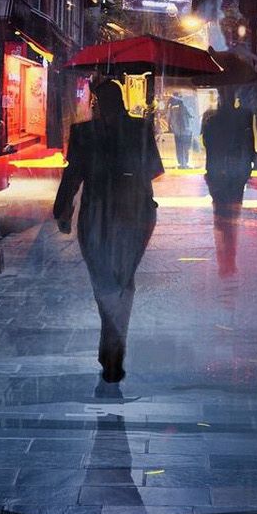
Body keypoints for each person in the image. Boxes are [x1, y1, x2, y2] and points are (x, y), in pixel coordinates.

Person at [54, 78, 164, 383]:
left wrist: (63, 211)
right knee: (119, 281)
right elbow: (154, 168)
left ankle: (112, 346)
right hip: (131, 214)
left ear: (99, 103)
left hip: (102, 215)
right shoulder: (138, 128)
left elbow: (72, 174)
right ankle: (114, 346)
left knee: (106, 280)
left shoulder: (86, 133)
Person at [201, 89, 257, 278]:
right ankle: (228, 260)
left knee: (222, 216)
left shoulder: (211, 119)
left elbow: (209, 147)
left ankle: (225, 260)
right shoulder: (244, 116)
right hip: (234, 173)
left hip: (222, 173)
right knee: (230, 216)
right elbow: (249, 144)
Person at [167, 92, 192, 170]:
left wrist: (171, 127)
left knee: (182, 146)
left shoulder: (174, 107)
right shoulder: (176, 107)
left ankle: (183, 162)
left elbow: (169, 118)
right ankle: (183, 163)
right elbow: (170, 118)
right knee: (183, 146)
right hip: (183, 130)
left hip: (181, 130)